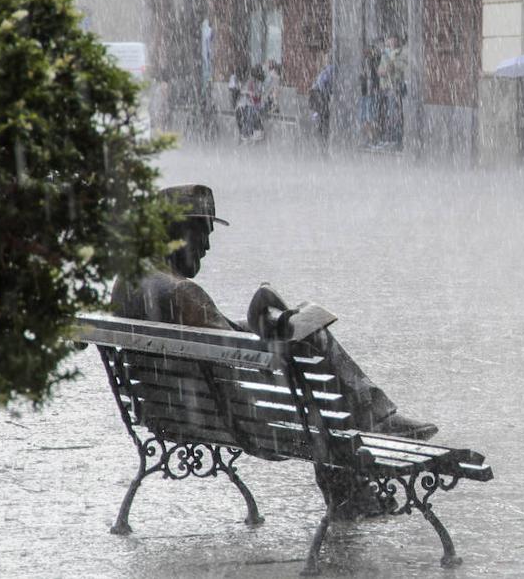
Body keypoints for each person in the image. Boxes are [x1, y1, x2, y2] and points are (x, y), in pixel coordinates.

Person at [111, 185, 438, 515]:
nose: (208, 247)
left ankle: (357, 476)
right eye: (201, 234)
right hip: (243, 420)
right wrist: (283, 327)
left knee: (304, 349)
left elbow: (217, 337)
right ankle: (373, 425)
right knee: (314, 355)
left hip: (171, 412)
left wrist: (260, 323)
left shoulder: (128, 283)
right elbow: (245, 360)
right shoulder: (183, 292)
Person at [377, 35, 406, 149]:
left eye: (393, 39)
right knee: (385, 114)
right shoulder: (385, 54)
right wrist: (382, 71)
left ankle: (395, 139)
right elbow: (380, 70)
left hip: (394, 87)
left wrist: (390, 65)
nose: (391, 42)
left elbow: (396, 68)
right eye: (389, 39)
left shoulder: (400, 54)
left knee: (394, 114)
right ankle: (387, 137)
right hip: (384, 87)